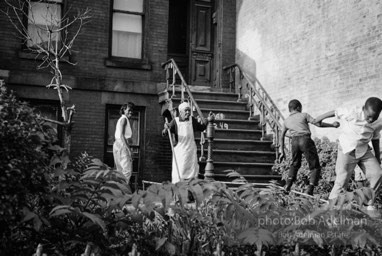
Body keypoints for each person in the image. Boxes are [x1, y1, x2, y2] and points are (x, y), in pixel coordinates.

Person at [315, 97, 382, 208]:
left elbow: (375, 138)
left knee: (377, 173)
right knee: (342, 180)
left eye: (374, 117)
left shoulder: (378, 122)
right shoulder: (352, 111)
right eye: (369, 116)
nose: (371, 120)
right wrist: (318, 119)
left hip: (364, 150)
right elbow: (335, 111)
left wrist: (378, 159)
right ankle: (332, 210)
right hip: (347, 149)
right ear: (363, 109)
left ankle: (366, 202)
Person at [279, 99, 340, 195]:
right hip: (305, 140)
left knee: (295, 164)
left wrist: (282, 151)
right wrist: (332, 125)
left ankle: (288, 185)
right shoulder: (304, 115)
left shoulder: (286, 121)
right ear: (298, 107)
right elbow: (317, 122)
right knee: (314, 166)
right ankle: (310, 189)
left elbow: (282, 135)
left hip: (294, 141)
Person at [162, 102, 207, 183]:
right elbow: (165, 132)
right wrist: (166, 129)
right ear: (181, 112)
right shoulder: (175, 121)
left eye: (189, 110)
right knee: (180, 171)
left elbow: (201, 128)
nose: (188, 112)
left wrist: (206, 121)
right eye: (186, 111)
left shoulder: (192, 120)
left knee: (192, 172)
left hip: (190, 150)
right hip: (180, 152)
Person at [113, 102, 135, 191]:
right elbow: (122, 136)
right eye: (129, 110)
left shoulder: (122, 119)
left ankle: (118, 192)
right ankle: (123, 192)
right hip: (121, 145)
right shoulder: (124, 119)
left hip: (118, 144)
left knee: (120, 171)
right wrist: (129, 150)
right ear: (124, 110)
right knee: (127, 170)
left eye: (132, 111)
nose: (131, 112)